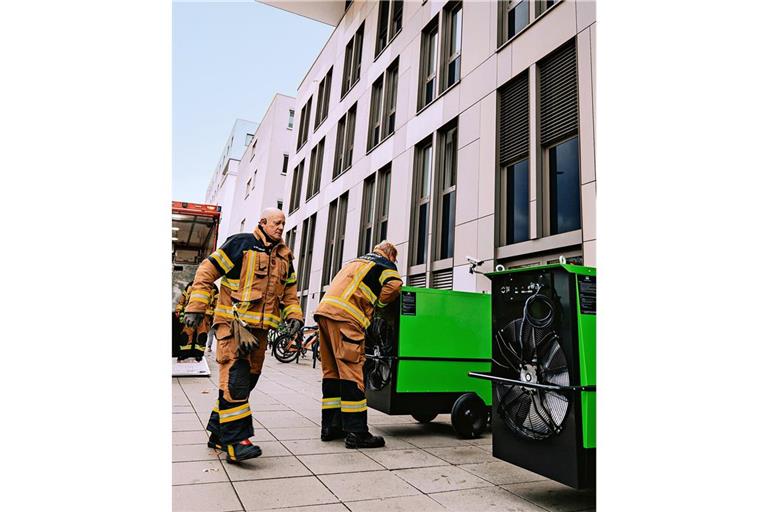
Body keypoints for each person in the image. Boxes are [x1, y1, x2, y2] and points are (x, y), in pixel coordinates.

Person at [184, 208, 304, 463]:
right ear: (262, 222)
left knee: (248, 381)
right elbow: (207, 272)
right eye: (276, 223)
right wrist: (196, 306)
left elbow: (290, 292)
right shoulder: (241, 244)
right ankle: (237, 442)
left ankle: (218, 432)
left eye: (283, 223)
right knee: (237, 380)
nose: (281, 227)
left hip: (259, 333)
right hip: (233, 326)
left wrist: (294, 316)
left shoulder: (285, 256)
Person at [314, 240, 402, 448]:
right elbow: (395, 285)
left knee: (332, 373)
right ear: (391, 255)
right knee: (352, 373)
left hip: (325, 314)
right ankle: (357, 433)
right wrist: (379, 305)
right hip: (346, 319)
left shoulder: (357, 262)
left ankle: (330, 427)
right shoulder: (383, 264)